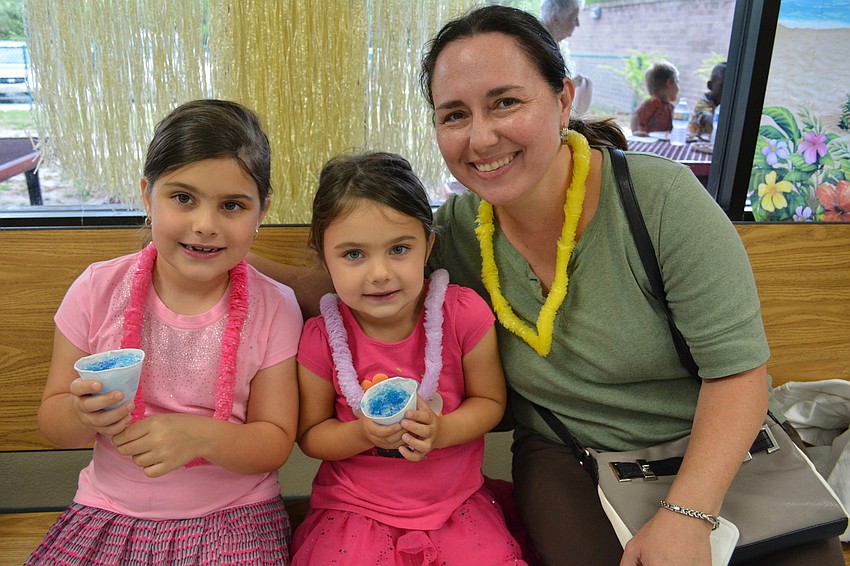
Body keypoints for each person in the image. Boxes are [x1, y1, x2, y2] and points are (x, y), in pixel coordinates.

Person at [253, 5, 846, 565]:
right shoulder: (455, 234)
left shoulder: (660, 200)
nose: (481, 138)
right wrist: (224, 256)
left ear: (563, 99)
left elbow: (738, 373)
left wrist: (687, 515)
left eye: (505, 102)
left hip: (715, 451)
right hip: (571, 457)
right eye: (455, 114)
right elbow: (346, 282)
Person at [28, 99, 304, 565]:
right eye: (183, 198)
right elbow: (54, 422)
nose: (205, 225)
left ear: (261, 212)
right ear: (146, 196)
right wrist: (85, 414)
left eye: (232, 205)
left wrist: (201, 437)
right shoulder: (97, 289)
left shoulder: (274, 305)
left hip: (235, 517)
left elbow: (275, 440)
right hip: (109, 511)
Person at [291, 151, 527, 565]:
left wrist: (442, 430)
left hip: (456, 505)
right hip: (353, 510)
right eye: (353, 255)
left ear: (428, 243)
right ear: (323, 256)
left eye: (399, 249)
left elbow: (490, 403)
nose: (380, 273)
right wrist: (362, 434)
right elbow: (311, 435)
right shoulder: (321, 338)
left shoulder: (462, 314)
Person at [539, 0, 593, 115]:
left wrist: (570, 84)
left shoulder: (549, 43)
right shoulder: (539, 46)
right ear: (555, 18)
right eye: (574, 17)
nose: (577, 23)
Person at [630, 60, 679, 135]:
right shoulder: (654, 103)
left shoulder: (670, 107)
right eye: (677, 82)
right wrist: (635, 131)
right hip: (650, 142)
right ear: (669, 83)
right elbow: (636, 116)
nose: (678, 88)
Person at [690, 61, 726, 137]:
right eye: (722, 86)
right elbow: (707, 118)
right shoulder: (703, 103)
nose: (727, 91)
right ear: (710, 86)